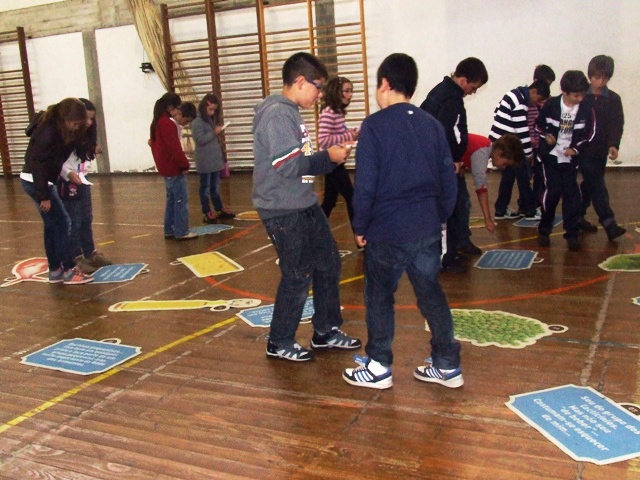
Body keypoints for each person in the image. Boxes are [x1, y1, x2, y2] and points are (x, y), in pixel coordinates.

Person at [342, 53, 461, 390]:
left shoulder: (374, 126)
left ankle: (379, 366)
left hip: (387, 230)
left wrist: (360, 226)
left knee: (380, 296)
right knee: (431, 294)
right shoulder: (431, 125)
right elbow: (449, 179)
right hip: (426, 227)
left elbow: (366, 184)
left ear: (384, 84)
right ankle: (448, 365)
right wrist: (438, 216)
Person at [252, 51, 361, 362]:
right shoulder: (277, 114)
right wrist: (329, 157)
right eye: (318, 86)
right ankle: (279, 341)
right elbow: (288, 165)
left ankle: (325, 330)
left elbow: (299, 161)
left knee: (328, 263)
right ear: (300, 81)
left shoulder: (290, 112)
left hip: (302, 203)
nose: (320, 94)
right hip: (282, 209)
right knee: (298, 273)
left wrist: (330, 158)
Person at [420, 57, 488, 273]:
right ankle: (445, 258)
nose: (473, 92)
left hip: (439, 161)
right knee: (448, 210)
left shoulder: (441, 91)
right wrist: (454, 159)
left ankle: (457, 245)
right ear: (463, 80)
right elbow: (446, 129)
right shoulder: (451, 98)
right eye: (473, 87)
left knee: (460, 204)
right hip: (443, 164)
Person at [21, 97, 94, 284]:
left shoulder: (60, 130)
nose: (77, 127)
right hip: (36, 181)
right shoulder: (48, 131)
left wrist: (67, 174)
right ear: (66, 119)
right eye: (76, 124)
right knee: (62, 222)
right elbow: (37, 163)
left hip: (40, 181)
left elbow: (55, 159)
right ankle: (68, 270)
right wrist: (43, 195)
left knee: (52, 225)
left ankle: (55, 271)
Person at [535, 70, 595, 251]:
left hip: (570, 159)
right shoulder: (551, 105)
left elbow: (590, 133)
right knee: (552, 193)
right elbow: (539, 125)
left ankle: (572, 234)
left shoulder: (586, 108)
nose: (580, 98)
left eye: (582, 94)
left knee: (572, 195)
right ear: (564, 92)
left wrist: (575, 149)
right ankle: (544, 230)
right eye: (576, 95)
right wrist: (547, 135)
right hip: (550, 157)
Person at [59, 98, 113, 275]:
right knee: (74, 220)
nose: (89, 123)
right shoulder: (67, 135)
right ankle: (76, 257)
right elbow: (59, 160)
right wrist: (68, 173)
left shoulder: (87, 135)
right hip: (67, 180)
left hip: (82, 178)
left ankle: (90, 253)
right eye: (86, 118)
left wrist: (91, 154)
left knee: (86, 217)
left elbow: (82, 159)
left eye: (92, 119)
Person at [577, 55, 626, 241]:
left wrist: (613, 144)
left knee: (590, 184)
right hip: (582, 148)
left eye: (605, 78)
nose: (600, 82)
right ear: (590, 76)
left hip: (600, 150)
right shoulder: (581, 96)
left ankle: (578, 216)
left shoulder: (613, 99)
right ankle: (608, 222)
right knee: (597, 184)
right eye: (597, 78)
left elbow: (617, 123)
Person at [491, 80, 550, 220]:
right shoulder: (520, 103)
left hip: (501, 140)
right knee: (523, 177)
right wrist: (529, 154)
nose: (536, 103)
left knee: (509, 176)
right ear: (534, 91)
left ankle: (501, 209)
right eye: (539, 99)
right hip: (508, 147)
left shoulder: (513, 94)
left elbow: (496, 112)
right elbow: (522, 131)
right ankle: (529, 210)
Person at [150, 92, 198, 241]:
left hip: (165, 168)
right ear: (171, 107)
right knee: (180, 200)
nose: (178, 111)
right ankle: (181, 231)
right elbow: (174, 148)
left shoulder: (158, 122)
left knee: (172, 199)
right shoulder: (167, 123)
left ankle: (169, 229)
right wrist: (185, 164)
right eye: (177, 107)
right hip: (173, 168)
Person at [461, 133, 526, 234]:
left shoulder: (485, 144)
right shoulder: (481, 152)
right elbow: (481, 187)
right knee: (461, 204)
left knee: (463, 202)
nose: (504, 167)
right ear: (499, 152)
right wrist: (488, 219)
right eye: (505, 163)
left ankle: (460, 237)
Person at [318, 76, 359, 230]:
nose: (350, 95)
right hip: (331, 162)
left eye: (351, 91)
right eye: (346, 91)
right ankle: (359, 234)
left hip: (336, 162)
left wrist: (351, 133)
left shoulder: (338, 112)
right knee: (351, 196)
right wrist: (349, 136)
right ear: (336, 92)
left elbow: (338, 133)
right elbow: (324, 140)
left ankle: (315, 232)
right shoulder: (329, 112)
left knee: (329, 201)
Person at [191, 93, 235, 225]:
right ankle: (207, 212)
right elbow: (199, 139)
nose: (212, 112)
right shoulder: (197, 120)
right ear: (204, 106)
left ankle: (219, 208)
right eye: (210, 109)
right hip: (204, 160)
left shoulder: (208, 119)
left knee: (215, 187)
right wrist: (214, 132)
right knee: (205, 188)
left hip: (214, 159)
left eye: (214, 110)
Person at [528, 65, 556, 209]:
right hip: (529, 144)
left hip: (543, 145)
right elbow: (527, 122)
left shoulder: (549, 101)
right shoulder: (528, 100)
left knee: (541, 175)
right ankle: (526, 204)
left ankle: (539, 203)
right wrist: (529, 139)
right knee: (525, 176)